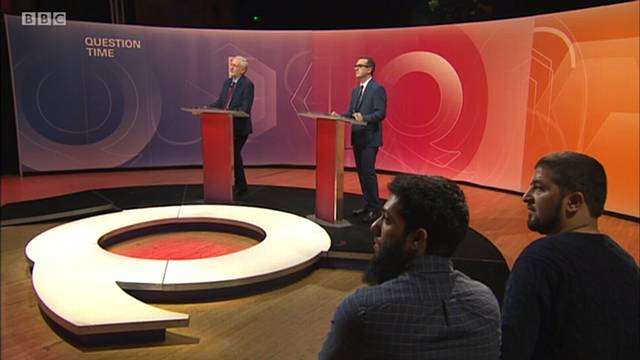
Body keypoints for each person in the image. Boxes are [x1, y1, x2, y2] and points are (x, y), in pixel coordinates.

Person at [320, 175, 501, 359]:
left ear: (417, 239)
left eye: (387, 220)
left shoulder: (362, 310)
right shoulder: (487, 304)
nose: (375, 227)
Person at [501, 151, 639, 360]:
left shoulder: (540, 260)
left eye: (539, 187)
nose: (526, 196)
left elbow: (511, 348)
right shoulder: (627, 263)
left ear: (573, 202)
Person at [332, 56, 387, 222]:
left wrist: (365, 117)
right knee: (362, 173)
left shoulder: (378, 89)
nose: (356, 68)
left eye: (360, 66)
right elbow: (351, 113)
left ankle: (375, 209)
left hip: (370, 137)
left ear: (369, 69)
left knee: (368, 172)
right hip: (357, 137)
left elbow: (380, 113)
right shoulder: (356, 90)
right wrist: (339, 116)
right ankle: (367, 203)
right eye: (355, 66)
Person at [209, 55, 254, 197]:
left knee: (234, 154)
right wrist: (206, 108)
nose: (231, 67)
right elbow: (220, 102)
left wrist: (228, 112)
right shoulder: (227, 82)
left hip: (239, 128)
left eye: (234, 65)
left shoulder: (248, 85)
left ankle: (241, 186)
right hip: (225, 127)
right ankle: (236, 185)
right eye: (231, 65)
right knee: (232, 155)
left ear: (242, 70)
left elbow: (245, 107)